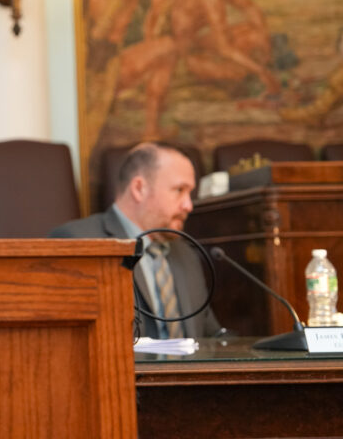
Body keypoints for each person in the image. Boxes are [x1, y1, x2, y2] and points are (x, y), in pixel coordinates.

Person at [48, 142, 221, 339]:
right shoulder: (79, 243)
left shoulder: (186, 254)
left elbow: (212, 338)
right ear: (139, 189)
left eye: (190, 193)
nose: (188, 205)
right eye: (179, 190)